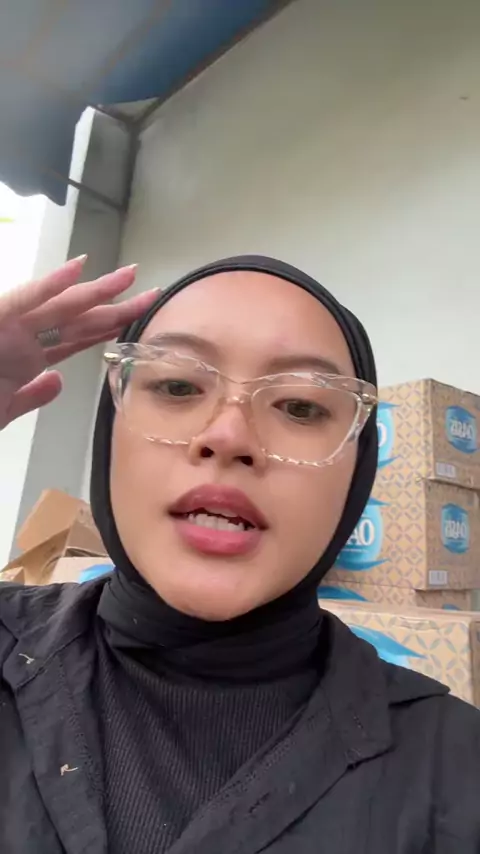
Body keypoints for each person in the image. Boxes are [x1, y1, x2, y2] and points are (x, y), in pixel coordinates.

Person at [0, 254, 479, 854]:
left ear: (357, 469)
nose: (228, 437)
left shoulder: (457, 771)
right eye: (177, 385)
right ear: (109, 428)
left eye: (301, 406)